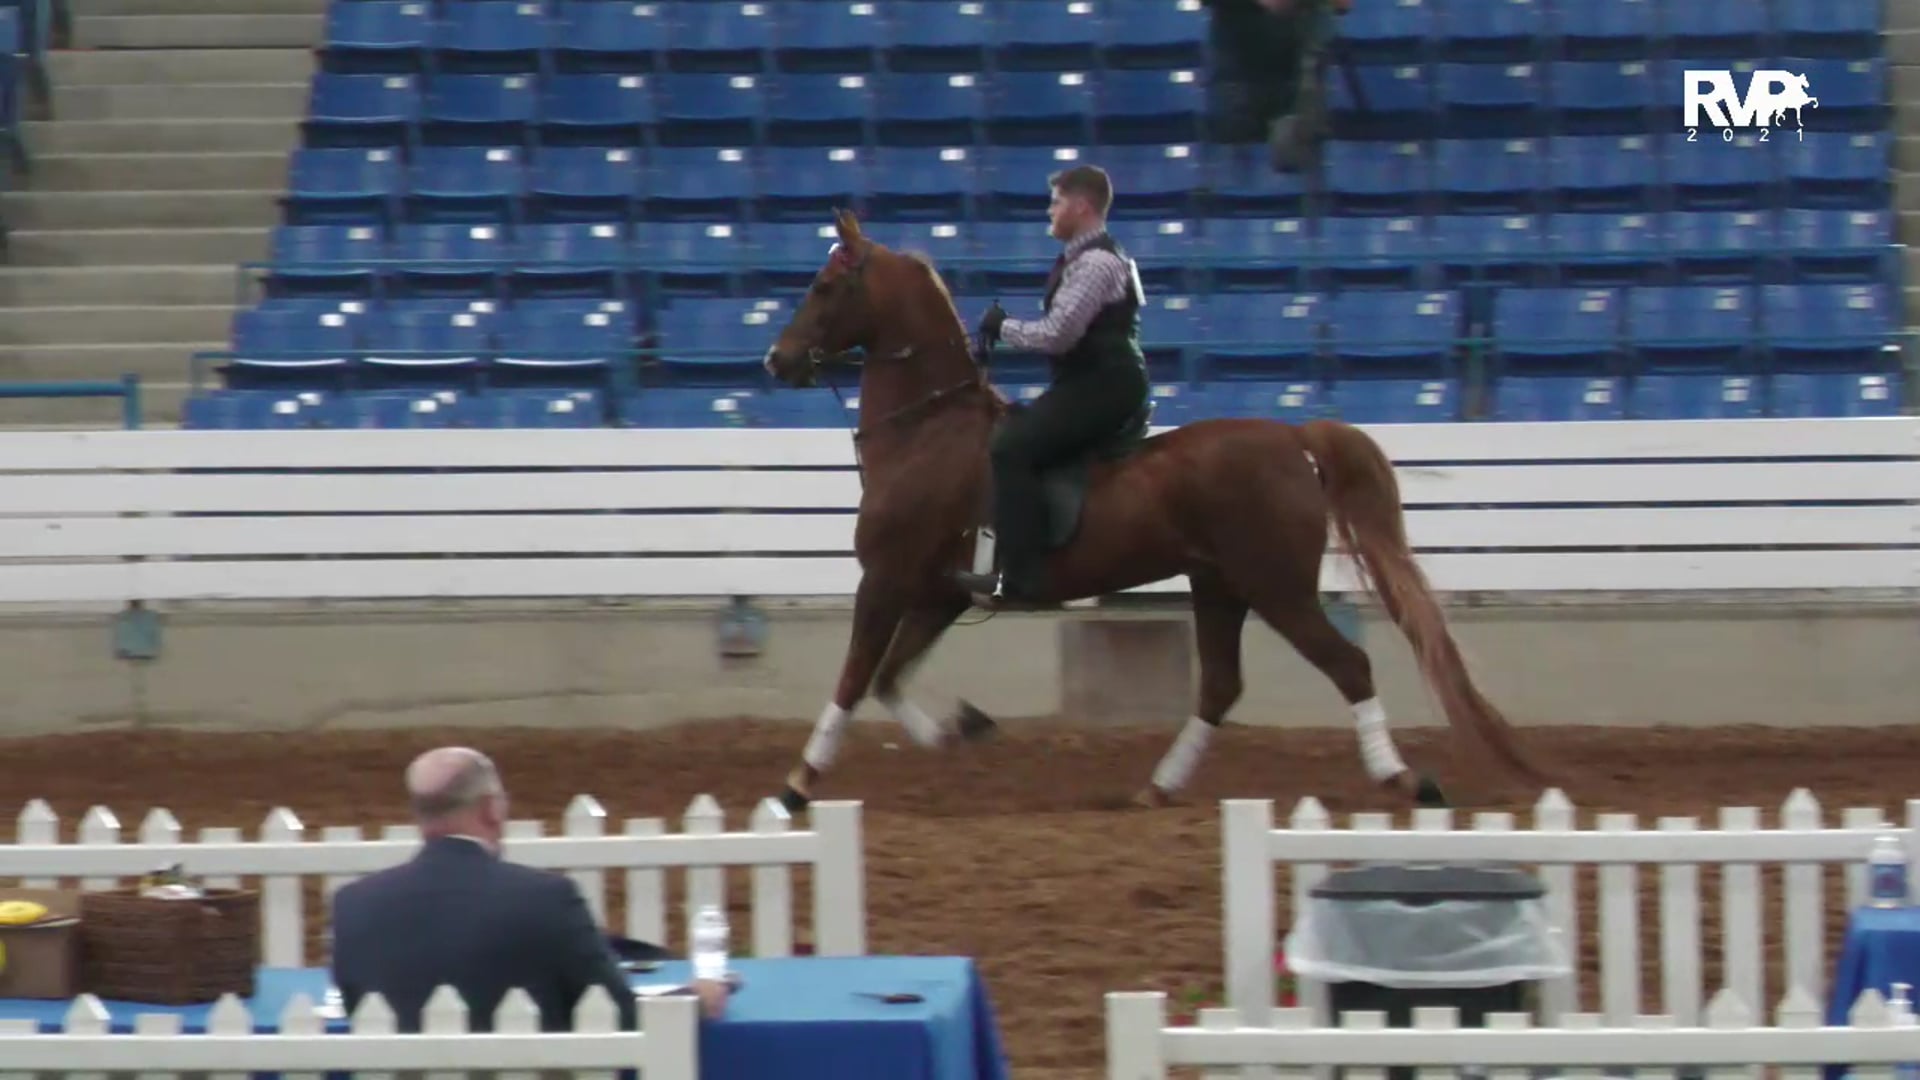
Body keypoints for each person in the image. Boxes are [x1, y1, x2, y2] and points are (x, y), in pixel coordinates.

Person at [329, 747, 699, 1032]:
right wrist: (693, 999)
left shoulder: (353, 905)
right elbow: (622, 1014)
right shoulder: (548, 898)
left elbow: (354, 1010)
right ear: (492, 810)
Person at [955, 163, 1152, 603]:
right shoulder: (1088, 258)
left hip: (1104, 385)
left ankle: (1026, 578)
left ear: (1081, 206)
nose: (1050, 211)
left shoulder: (1096, 263)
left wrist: (1003, 327)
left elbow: (1059, 333)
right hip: (1094, 381)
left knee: (1010, 447)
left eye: (1056, 202)